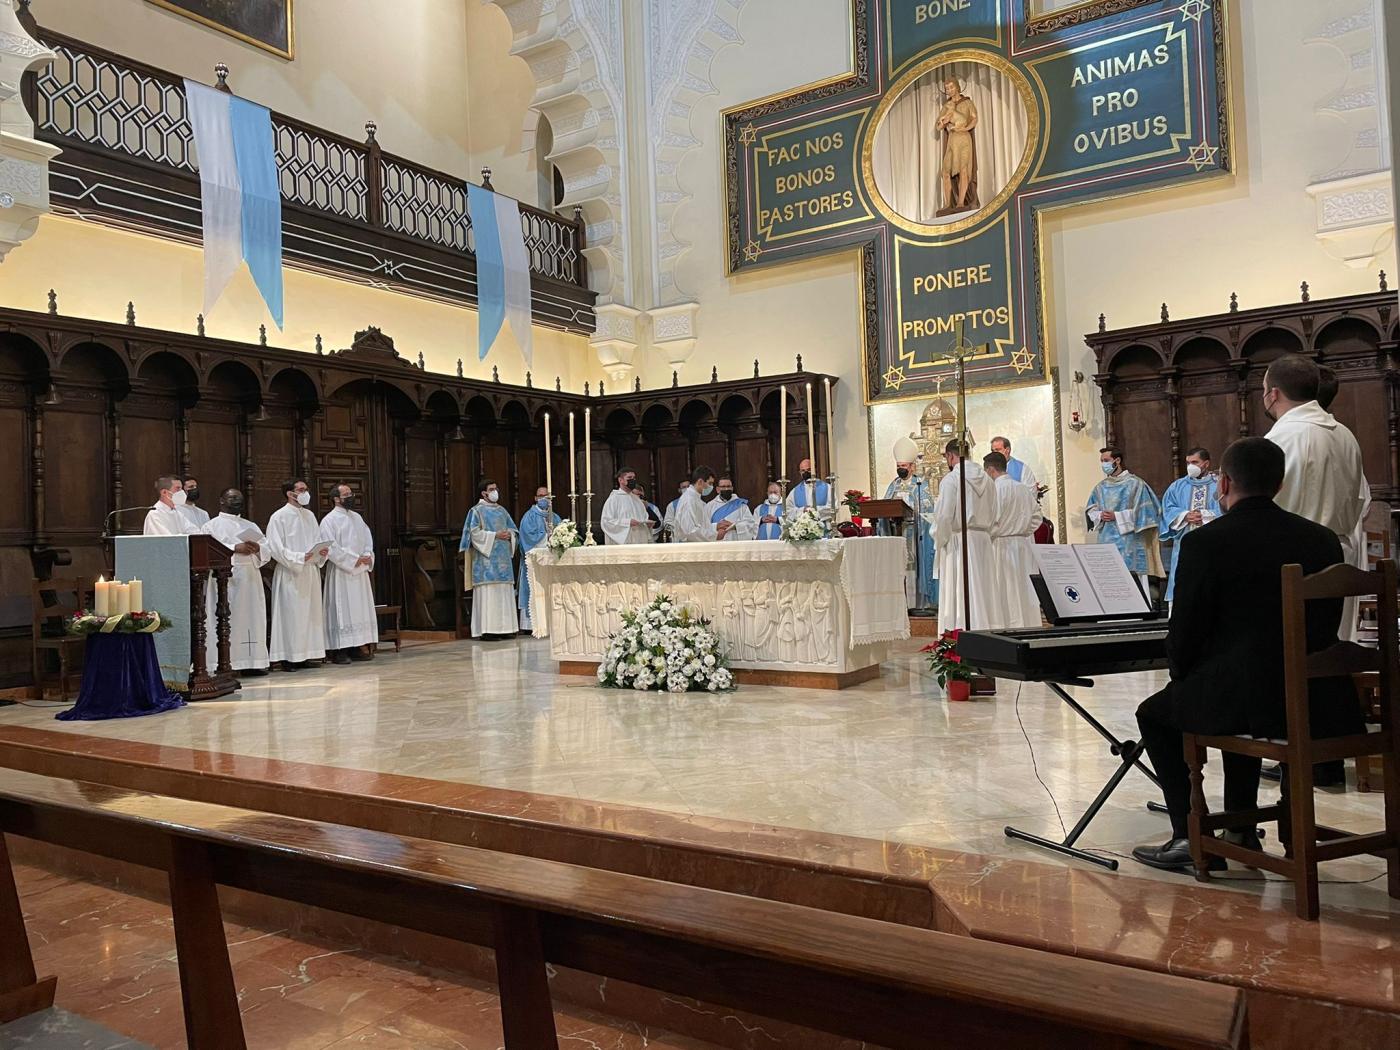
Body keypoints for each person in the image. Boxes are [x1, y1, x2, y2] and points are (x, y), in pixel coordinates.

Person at [1131, 438, 1362, 871]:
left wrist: (1180, 673)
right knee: (1228, 689)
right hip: (1322, 699)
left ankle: (1190, 836)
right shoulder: (1323, 540)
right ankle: (1238, 829)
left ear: (1224, 481)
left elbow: (1186, 631)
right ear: (1280, 482)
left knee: (1158, 712)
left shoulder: (1207, 543)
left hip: (1251, 700)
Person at [1317, 363, 1370, 642]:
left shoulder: (1291, 436)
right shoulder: (1345, 434)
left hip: (1314, 554)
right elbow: (1365, 499)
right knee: (1339, 639)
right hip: (1343, 543)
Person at [934, 440, 1004, 631]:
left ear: (950, 456)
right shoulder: (988, 480)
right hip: (982, 540)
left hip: (960, 540)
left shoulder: (951, 479)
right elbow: (996, 513)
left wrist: (939, 539)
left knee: (961, 591)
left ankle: (958, 634)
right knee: (983, 590)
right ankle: (988, 631)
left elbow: (944, 516)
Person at [200, 488, 271, 675]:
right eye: (232, 498)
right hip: (225, 580)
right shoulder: (211, 526)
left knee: (251, 618)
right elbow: (208, 551)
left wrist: (257, 549)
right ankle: (225, 663)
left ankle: (252, 662)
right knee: (226, 618)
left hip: (250, 577)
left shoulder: (251, 526)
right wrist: (234, 548)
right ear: (221, 501)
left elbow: (266, 549)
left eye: (239, 499)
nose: (237, 501)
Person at [266, 479, 328, 671]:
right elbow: (275, 547)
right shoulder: (279, 517)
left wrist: (321, 553)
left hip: (310, 572)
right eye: (301, 490)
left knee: (310, 614)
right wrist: (300, 557)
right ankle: (289, 657)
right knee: (292, 615)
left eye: (306, 489)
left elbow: (318, 540)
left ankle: (309, 653)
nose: (305, 493)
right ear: (289, 493)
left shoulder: (309, 515)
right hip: (291, 572)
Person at [1086, 446, 1164, 593]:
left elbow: (1147, 513)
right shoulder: (1101, 487)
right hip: (1106, 539)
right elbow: (1090, 510)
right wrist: (1099, 515)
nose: (1104, 464)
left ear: (1117, 460)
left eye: (1106, 460)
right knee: (1108, 579)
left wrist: (1117, 516)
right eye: (1101, 461)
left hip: (1130, 541)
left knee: (1132, 579)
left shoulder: (1136, 484)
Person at [320, 483, 378, 664]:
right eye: (347, 494)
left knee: (358, 609)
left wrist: (367, 556)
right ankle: (340, 650)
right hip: (341, 572)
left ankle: (357, 646)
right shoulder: (328, 521)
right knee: (342, 608)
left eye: (351, 493)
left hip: (359, 572)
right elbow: (330, 546)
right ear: (336, 498)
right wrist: (354, 560)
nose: (351, 496)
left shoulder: (357, 518)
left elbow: (367, 539)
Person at [984, 452, 1042, 628]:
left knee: (1006, 590)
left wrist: (994, 534)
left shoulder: (994, 491)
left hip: (1001, 546)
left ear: (991, 470)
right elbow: (1037, 518)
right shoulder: (1023, 489)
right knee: (1024, 591)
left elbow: (989, 521)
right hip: (1023, 545)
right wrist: (1023, 531)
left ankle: (1006, 628)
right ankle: (1029, 627)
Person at [1159, 447, 1221, 607]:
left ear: (1206, 464)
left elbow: (1228, 509)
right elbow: (1167, 509)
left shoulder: (1220, 485)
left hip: (1212, 545)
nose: (1190, 466)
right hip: (1184, 544)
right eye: (1188, 463)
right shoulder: (1177, 486)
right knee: (1183, 583)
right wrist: (1184, 515)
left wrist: (1205, 516)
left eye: (1195, 462)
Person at [460, 477, 519, 638]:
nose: (495, 492)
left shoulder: (502, 510)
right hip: (486, 563)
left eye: (496, 489)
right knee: (489, 596)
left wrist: (511, 535)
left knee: (503, 594)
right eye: (492, 489)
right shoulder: (476, 511)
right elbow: (474, 534)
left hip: (503, 562)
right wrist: (495, 535)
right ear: (484, 493)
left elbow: (514, 530)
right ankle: (487, 631)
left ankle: (506, 629)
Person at [883, 436, 937, 610]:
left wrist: (913, 509)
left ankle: (917, 604)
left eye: (903, 466)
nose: (900, 469)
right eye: (898, 467)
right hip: (898, 532)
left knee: (914, 569)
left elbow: (928, 506)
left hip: (914, 533)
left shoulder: (920, 484)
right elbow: (886, 504)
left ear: (912, 466)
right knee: (901, 569)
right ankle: (901, 604)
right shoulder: (894, 485)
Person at [517, 485, 559, 631]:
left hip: (552, 563)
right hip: (534, 563)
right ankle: (531, 625)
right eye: (540, 496)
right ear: (535, 498)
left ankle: (552, 622)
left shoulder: (554, 516)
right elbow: (526, 539)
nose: (543, 498)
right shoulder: (529, 517)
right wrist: (546, 537)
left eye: (546, 495)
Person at [673, 466, 731, 542]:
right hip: (690, 548)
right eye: (710, 483)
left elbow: (700, 525)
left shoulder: (696, 499)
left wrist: (716, 526)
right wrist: (715, 535)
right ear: (700, 482)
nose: (711, 487)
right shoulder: (688, 500)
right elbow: (690, 531)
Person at [600, 467, 652, 545]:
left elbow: (644, 517)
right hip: (624, 542)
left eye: (634, 478)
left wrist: (647, 523)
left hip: (639, 540)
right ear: (620, 480)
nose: (633, 480)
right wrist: (627, 522)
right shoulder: (613, 499)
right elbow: (606, 522)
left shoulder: (637, 499)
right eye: (629, 478)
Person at [785, 457, 833, 527]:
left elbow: (834, 507)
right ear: (800, 473)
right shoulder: (795, 491)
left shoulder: (827, 488)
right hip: (802, 529)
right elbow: (788, 511)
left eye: (809, 469)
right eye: (803, 471)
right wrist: (802, 510)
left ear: (815, 470)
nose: (806, 472)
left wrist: (813, 511)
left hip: (823, 527)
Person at [709, 474, 756, 541]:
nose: (726, 489)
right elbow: (704, 527)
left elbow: (750, 524)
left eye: (728, 486)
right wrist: (717, 525)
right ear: (718, 489)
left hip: (735, 543)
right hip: (717, 544)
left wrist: (735, 526)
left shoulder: (741, 505)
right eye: (723, 486)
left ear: (732, 488)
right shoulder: (710, 506)